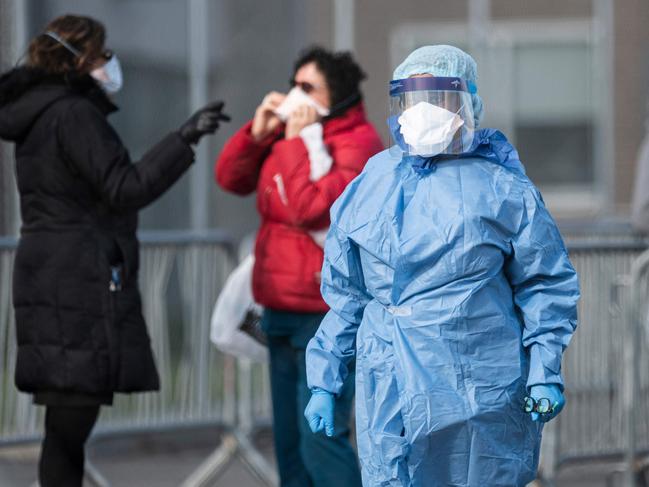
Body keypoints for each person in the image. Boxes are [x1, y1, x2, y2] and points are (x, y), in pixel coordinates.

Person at [304, 45, 580, 486]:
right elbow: (347, 296)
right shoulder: (373, 181)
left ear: (468, 104)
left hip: (477, 389)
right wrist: (324, 380)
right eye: (414, 100)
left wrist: (545, 371)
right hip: (389, 385)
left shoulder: (503, 189)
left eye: (440, 98)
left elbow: (544, 285)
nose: (426, 111)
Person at [0, 15, 229, 487]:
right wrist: (183, 139)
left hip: (49, 272)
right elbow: (125, 187)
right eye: (103, 55)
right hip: (77, 281)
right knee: (69, 426)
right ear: (80, 59)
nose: (110, 64)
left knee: (64, 428)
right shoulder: (72, 114)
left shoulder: (40, 114)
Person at [215, 46, 383, 487]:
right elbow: (230, 178)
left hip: (324, 313)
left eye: (308, 88)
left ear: (338, 96)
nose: (295, 95)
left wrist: (294, 142)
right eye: (294, 84)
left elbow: (311, 208)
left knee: (320, 440)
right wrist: (257, 132)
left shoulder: (357, 142)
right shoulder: (289, 134)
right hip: (279, 306)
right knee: (289, 444)